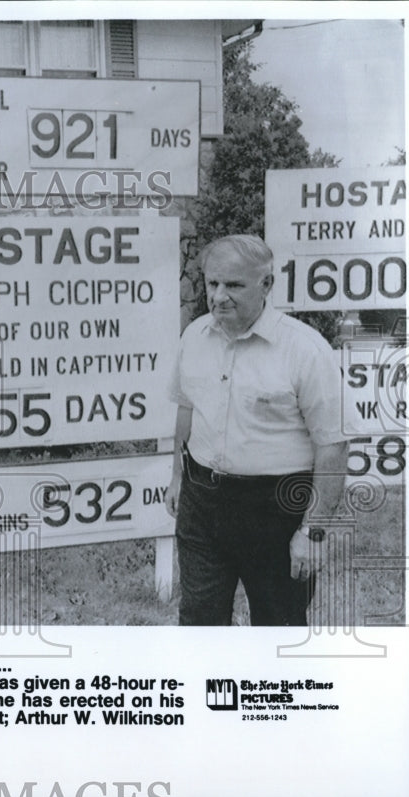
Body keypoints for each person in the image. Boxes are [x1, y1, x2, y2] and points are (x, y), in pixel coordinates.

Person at [165, 234, 348, 625]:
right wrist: (178, 478)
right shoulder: (194, 337)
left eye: (233, 285)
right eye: (213, 284)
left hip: (276, 511)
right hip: (203, 503)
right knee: (198, 623)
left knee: (277, 629)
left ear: (266, 285)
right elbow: (187, 408)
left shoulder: (305, 350)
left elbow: (333, 447)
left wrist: (313, 531)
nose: (218, 296)